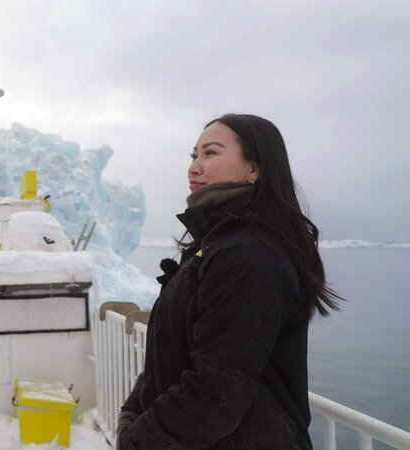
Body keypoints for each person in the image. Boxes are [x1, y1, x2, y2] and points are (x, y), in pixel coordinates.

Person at [117, 114, 341, 449]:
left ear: (255, 168)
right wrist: (133, 412)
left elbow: (216, 392)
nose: (194, 167)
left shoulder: (249, 254)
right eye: (194, 156)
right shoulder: (215, 246)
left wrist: (135, 439)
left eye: (210, 153)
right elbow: (173, 354)